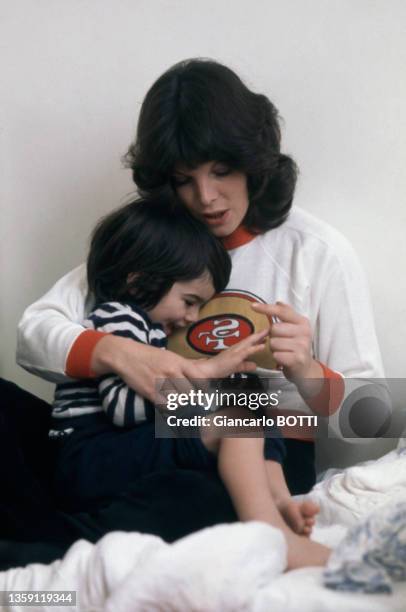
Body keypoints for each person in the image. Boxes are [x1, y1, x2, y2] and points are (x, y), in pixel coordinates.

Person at [17, 59, 383, 515]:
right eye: (184, 180)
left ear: (253, 163)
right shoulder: (155, 245)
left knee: (201, 492)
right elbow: (32, 335)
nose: (206, 197)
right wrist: (122, 354)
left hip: (259, 461)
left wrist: (309, 373)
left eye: (222, 170)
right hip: (131, 446)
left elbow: (377, 419)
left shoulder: (316, 251)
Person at [49, 196, 329, 569]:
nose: (191, 317)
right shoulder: (119, 316)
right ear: (139, 281)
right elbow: (121, 409)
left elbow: (370, 412)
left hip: (121, 447)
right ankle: (272, 534)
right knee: (234, 414)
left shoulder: (144, 325)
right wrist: (206, 375)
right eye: (189, 301)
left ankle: (280, 504)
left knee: (247, 397)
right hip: (91, 456)